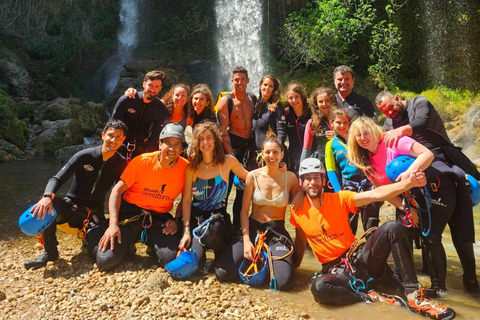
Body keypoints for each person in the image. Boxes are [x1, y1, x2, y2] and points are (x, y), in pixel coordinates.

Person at [292, 158, 456, 320]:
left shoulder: (339, 199)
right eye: (308, 178)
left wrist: (409, 183)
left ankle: (414, 295)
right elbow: (300, 241)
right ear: (301, 182)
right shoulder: (297, 211)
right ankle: (371, 298)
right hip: (336, 271)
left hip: (358, 257)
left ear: (323, 180)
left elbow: (376, 194)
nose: (312, 182)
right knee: (319, 288)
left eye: (316, 178)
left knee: (392, 227)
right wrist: (295, 270)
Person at [347, 116, 475, 294]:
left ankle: (439, 288)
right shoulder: (365, 160)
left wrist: (408, 173)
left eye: (366, 132)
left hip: (437, 188)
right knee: (402, 234)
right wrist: (406, 209)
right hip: (409, 196)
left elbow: (427, 154)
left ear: (375, 131)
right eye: (358, 135)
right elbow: (383, 190)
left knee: (431, 237)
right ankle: (405, 284)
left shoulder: (393, 141)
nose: (363, 138)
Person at [375, 91, 479, 293]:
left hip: (442, 159)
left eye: (390, 106)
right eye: (384, 111)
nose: (389, 112)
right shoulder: (389, 124)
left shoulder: (419, 103)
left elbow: (421, 122)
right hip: (413, 169)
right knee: (422, 229)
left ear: (397, 97)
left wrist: (401, 130)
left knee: (459, 226)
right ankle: (420, 273)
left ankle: (470, 278)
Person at [24, 120, 128, 269]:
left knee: (104, 257)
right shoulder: (84, 156)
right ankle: (50, 253)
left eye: (118, 137)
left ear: (123, 140)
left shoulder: (121, 163)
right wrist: (47, 196)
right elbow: (57, 178)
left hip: (93, 216)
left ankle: (89, 242)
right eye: (111, 135)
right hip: (70, 209)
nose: (114, 140)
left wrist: (118, 223)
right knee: (43, 206)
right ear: (103, 135)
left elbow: (121, 194)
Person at [215, 131, 302, 291]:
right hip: (254, 229)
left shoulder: (290, 178)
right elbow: (243, 211)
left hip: (277, 233)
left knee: (284, 283)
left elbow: (302, 198)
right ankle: (257, 259)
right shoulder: (253, 177)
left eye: (275, 152)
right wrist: (246, 240)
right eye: (267, 152)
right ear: (262, 154)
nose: (271, 156)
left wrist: (300, 195)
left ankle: (268, 262)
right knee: (222, 273)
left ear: (282, 154)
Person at [95, 123, 188, 271]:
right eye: (168, 143)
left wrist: (177, 221)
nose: (172, 148)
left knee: (171, 260)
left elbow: (186, 200)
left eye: (177, 144)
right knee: (105, 261)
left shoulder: (186, 168)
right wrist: (113, 224)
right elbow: (117, 191)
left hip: (159, 217)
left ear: (182, 147)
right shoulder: (142, 161)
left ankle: (152, 246)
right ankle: (128, 245)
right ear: (160, 143)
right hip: (131, 214)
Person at [179, 122, 248, 273]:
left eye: (209, 137)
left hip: (218, 222)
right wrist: (186, 231)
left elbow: (251, 178)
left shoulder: (228, 161)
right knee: (195, 267)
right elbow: (185, 200)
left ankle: (220, 254)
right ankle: (202, 252)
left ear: (216, 140)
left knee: (221, 270)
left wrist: (275, 171)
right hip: (197, 222)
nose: (205, 142)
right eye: (201, 139)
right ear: (196, 142)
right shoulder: (192, 167)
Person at [324, 109, 381, 234]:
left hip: (367, 182)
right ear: (331, 123)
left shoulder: (358, 138)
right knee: (349, 222)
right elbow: (331, 170)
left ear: (350, 123)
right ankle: (350, 251)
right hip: (348, 185)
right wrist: (339, 192)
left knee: (371, 220)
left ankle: (372, 248)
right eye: (338, 123)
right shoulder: (330, 145)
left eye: (345, 122)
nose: (342, 126)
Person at [217, 66, 256, 232]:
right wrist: (231, 155)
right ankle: (221, 226)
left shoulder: (253, 99)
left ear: (248, 80)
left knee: (244, 190)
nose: (239, 82)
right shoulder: (226, 101)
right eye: (236, 80)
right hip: (231, 148)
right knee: (225, 191)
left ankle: (239, 229)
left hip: (249, 149)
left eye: (242, 79)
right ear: (232, 81)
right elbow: (222, 131)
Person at [111, 70, 168, 160]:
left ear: (160, 88)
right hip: (119, 145)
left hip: (141, 150)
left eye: (156, 86)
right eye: (150, 85)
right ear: (144, 84)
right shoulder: (127, 100)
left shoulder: (161, 109)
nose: (153, 89)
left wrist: (149, 157)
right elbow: (112, 124)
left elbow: (155, 137)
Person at [252, 75, 287, 167]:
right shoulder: (256, 106)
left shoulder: (277, 107)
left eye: (271, 86)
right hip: (259, 156)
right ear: (260, 86)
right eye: (265, 84)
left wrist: (277, 155)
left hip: (272, 157)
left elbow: (281, 132)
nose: (267, 88)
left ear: (274, 89)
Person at [125, 83, 192, 130]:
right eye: (177, 95)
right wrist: (131, 90)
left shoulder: (189, 115)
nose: (180, 98)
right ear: (172, 96)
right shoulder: (161, 105)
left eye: (183, 95)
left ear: (188, 98)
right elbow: (146, 98)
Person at [300, 86, 336, 168]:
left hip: (338, 162)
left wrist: (337, 136)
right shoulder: (312, 123)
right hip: (320, 165)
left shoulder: (340, 119)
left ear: (332, 101)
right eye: (320, 102)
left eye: (327, 101)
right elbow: (306, 149)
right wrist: (301, 170)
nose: (324, 104)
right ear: (316, 104)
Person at [284, 82, 312, 175]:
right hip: (293, 157)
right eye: (290, 98)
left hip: (311, 155)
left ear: (302, 97)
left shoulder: (311, 114)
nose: (294, 100)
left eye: (296, 97)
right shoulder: (287, 114)